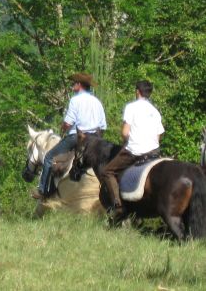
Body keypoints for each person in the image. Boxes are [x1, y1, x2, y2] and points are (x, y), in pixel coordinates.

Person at [33, 72, 106, 199]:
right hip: (96, 139)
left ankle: (43, 190)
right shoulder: (97, 102)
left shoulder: (75, 100)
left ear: (79, 85)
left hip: (77, 138)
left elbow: (68, 123)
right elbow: (103, 126)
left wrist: (63, 129)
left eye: (74, 83)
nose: (72, 86)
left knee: (49, 157)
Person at [100, 80, 164, 218]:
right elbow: (159, 136)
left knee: (107, 171)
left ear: (137, 91)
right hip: (154, 152)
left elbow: (124, 132)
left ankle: (118, 206)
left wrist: (126, 141)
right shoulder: (155, 111)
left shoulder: (131, 107)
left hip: (135, 151)